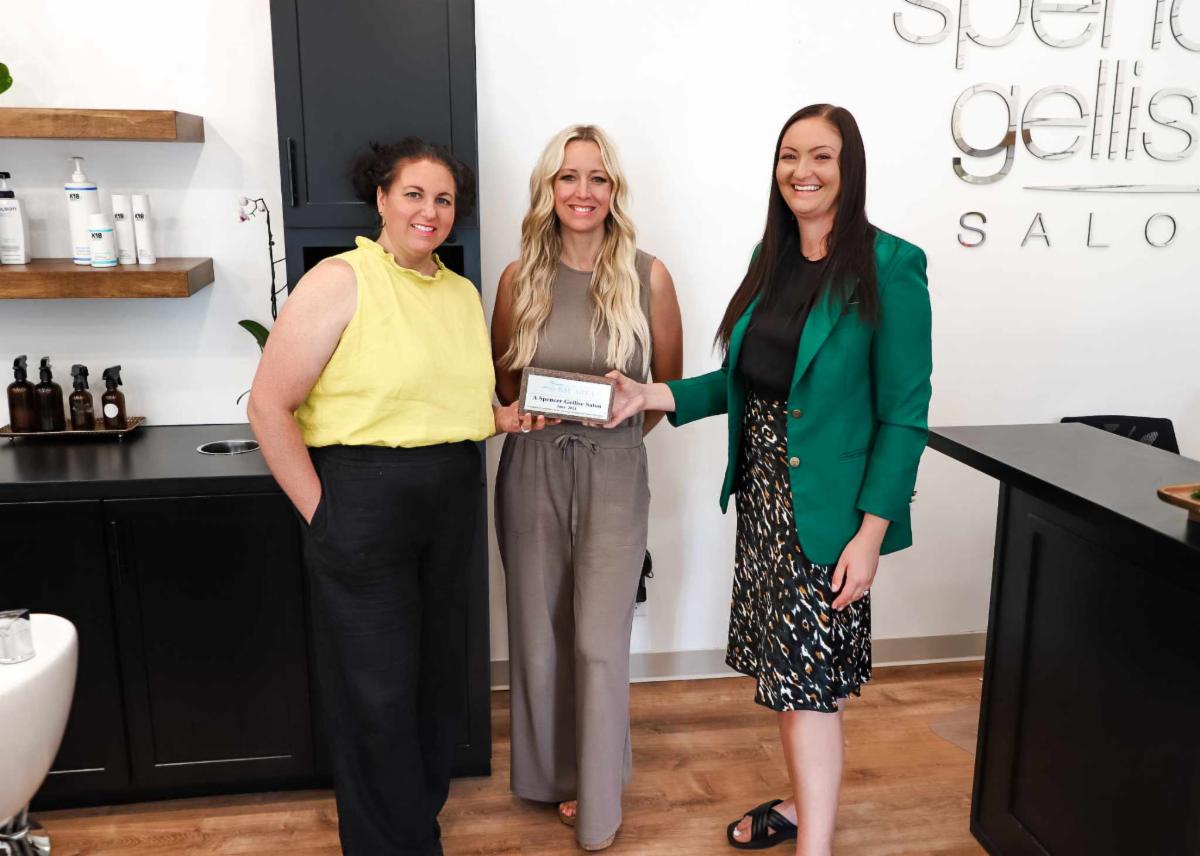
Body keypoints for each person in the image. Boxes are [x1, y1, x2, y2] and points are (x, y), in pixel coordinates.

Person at [604, 104, 932, 855]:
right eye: (790, 155)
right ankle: (800, 801)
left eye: (821, 156)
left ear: (850, 169)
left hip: (830, 517)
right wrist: (652, 394)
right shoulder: (772, 257)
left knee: (809, 687)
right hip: (765, 507)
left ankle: (815, 843)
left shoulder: (891, 265)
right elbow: (747, 382)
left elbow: (905, 415)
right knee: (791, 679)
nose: (802, 171)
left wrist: (871, 534)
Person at [248, 138, 550, 856]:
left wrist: (505, 418)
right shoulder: (339, 280)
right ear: (381, 199)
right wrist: (323, 515)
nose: (429, 211)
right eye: (414, 194)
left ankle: (415, 825)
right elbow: (268, 406)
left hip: (450, 501)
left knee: (436, 686)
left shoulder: (461, 294)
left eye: (443, 199)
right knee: (376, 695)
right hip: (362, 504)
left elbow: (449, 405)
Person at [491, 124, 683, 851]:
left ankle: (599, 799)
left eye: (597, 177)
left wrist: (614, 436)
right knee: (539, 633)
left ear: (614, 190)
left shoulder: (649, 276)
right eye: (568, 177)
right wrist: (536, 418)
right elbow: (505, 386)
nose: (582, 191)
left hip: (613, 471)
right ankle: (550, 777)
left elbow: (664, 390)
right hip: (532, 468)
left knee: (599, 640)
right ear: (549, 189)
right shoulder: (518, 279)